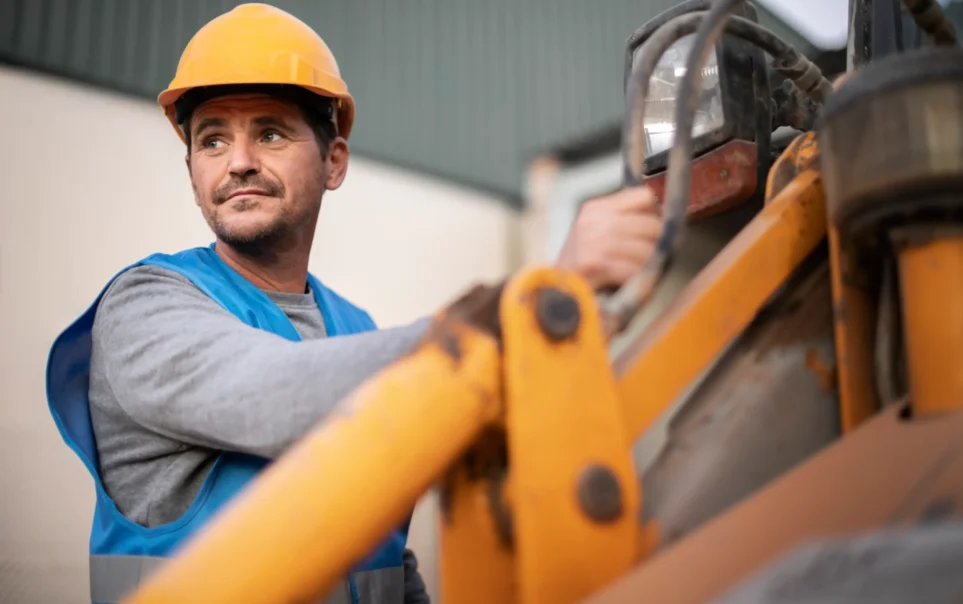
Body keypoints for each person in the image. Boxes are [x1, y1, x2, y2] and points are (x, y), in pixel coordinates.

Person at [45, 4, 662, 604]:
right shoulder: (144, 307)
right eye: (211, 141)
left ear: (333, 161)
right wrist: (533, 299)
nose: (238, 163)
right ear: (192, 169)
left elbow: (387, 552)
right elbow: (270, 395)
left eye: (269, 132)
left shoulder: (355, 329)